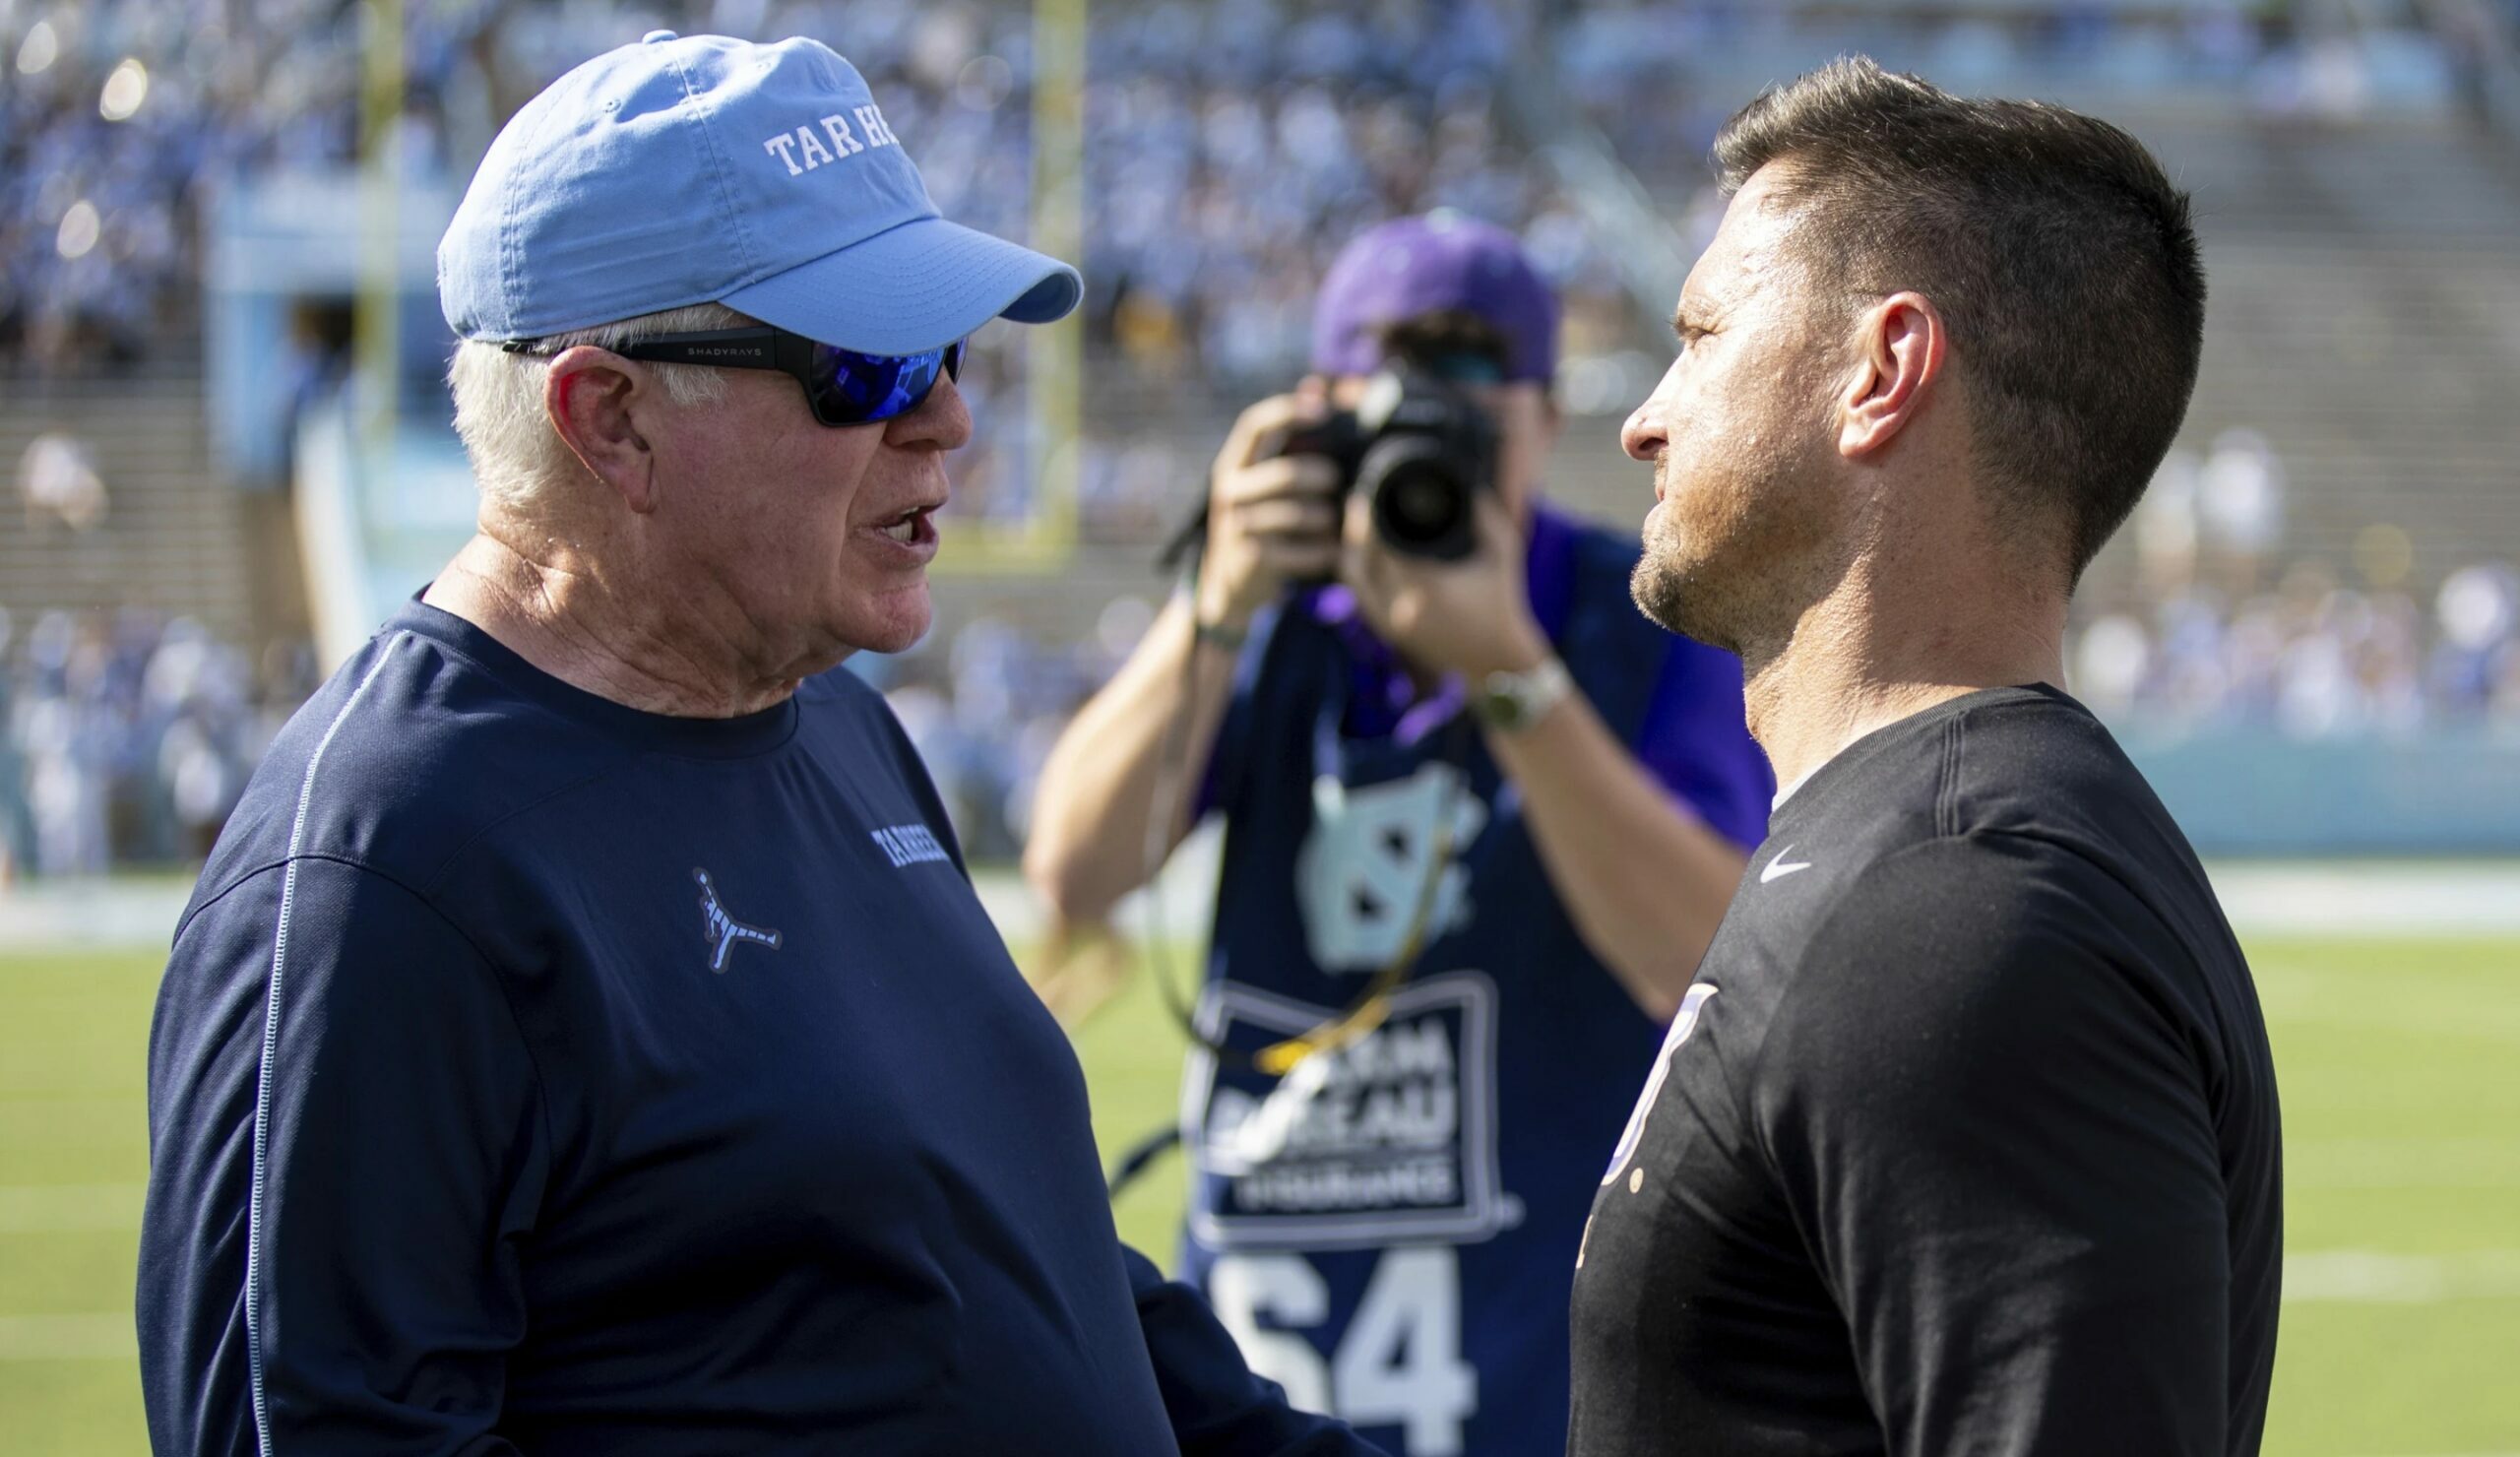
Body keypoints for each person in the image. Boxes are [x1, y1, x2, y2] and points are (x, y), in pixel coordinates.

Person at [138, 33, 1380, 1457]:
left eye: (950, 352)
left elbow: (1032, 1267)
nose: (950, 420)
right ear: (609, 418)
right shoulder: (389, 869)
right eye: (870, 367)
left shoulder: (835, 724)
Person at [1570, 58, 2281, 1456]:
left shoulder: (1964, 913)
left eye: (1703, 334)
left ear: (1881, 373)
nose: (1645, 415)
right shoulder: (1910, 852)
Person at [1026, 213, 1772, 1456]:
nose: (1431, 444)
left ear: (1542, 417)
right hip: (1268, 1362)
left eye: (1473, 407)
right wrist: (1212, 607)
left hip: (1537, 1366)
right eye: (1391, 401)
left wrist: (1507, 673)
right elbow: (1074, 872)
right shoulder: (1266, 620)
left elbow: (1699, 959)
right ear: (1317, 409)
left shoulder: (1639, 626)